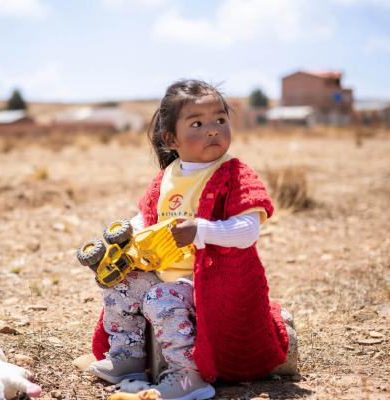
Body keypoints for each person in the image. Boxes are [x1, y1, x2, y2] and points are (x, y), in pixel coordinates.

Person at [88, 80, 291, 400]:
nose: (212, 130)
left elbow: (248, 231)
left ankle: (188, 375)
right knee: (117, 281)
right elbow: (148, 220)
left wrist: (201, 230)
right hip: (168, 272)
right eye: (197, 123)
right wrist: (123, 239)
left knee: (159, 298)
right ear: (171, 138)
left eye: (220, 120)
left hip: (212, 282)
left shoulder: (234, 174)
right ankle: (128, 357)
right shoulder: (168, 175)